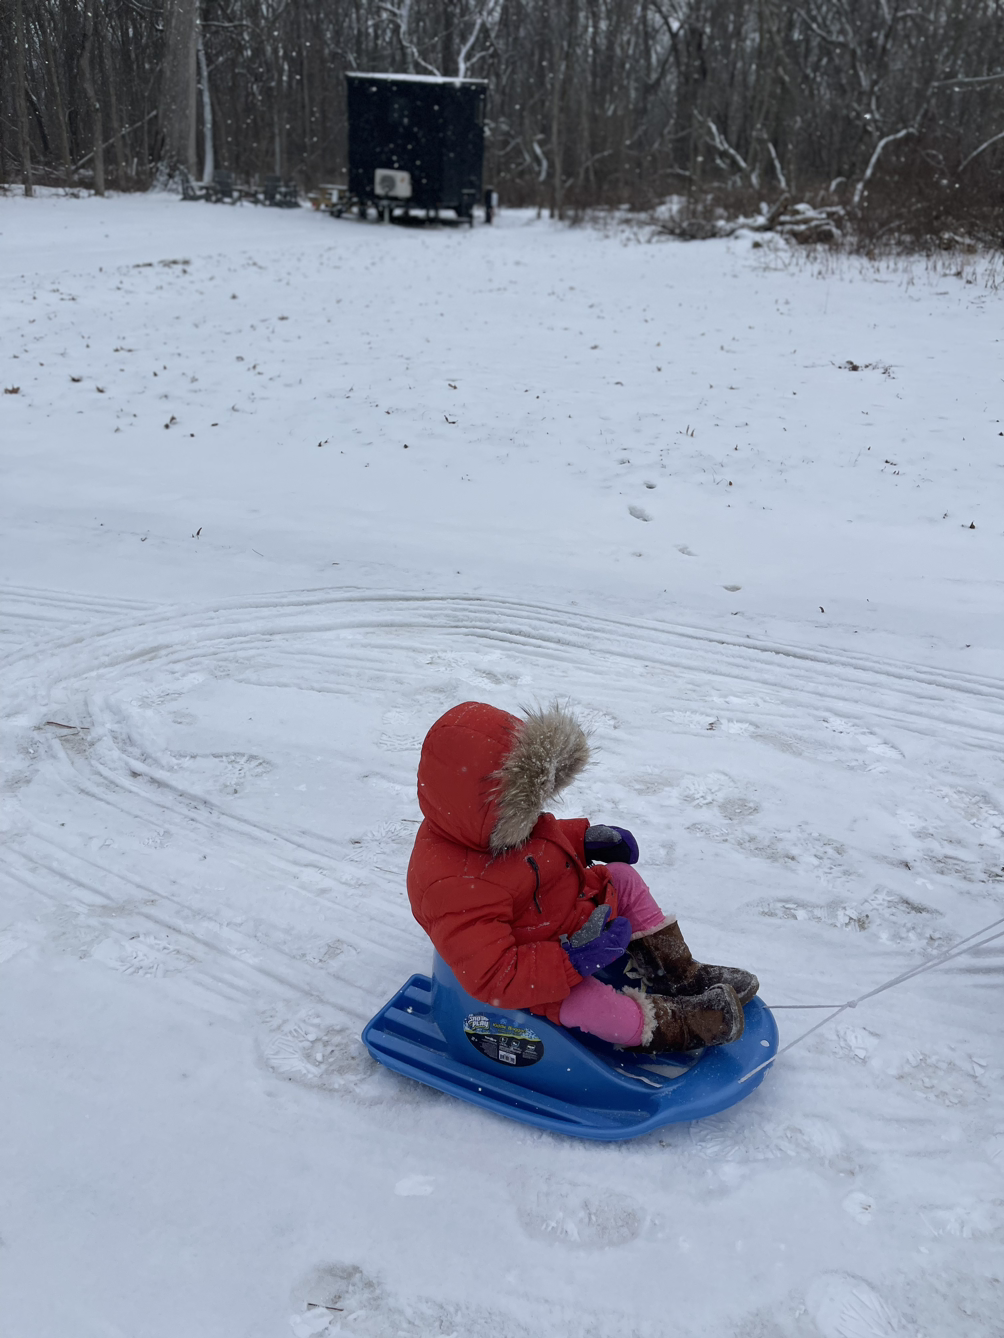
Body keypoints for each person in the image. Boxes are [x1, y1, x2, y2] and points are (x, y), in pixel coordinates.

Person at [406, 700, 759, 1053]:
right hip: (537, 962)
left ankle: (677, 972)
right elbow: (496, 974)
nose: (536, 812)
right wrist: (571, 961)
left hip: (566, 909)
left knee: (621, 878)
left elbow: (539, 844)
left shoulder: (490, 822)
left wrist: (584, 841)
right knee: (592, 1006)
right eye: (527, 805)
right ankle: (674, 1026)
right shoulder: (451, 888)